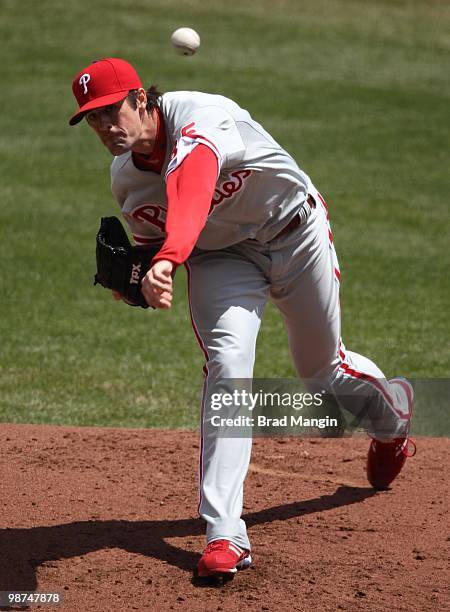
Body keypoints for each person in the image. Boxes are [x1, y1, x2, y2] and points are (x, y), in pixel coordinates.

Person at [69, 57, 416, 579]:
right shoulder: (126, 179)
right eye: (92, 119)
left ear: (141, 99)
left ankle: (392, 419)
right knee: (228, 365)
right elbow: (153, 242)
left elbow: (192, 187)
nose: (105, 127)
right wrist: (141, 278)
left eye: (110, 111)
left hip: (295, 233)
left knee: (321, 373)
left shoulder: (200, 117)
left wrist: (167, 259)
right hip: (221, 259)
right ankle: (224, 532)